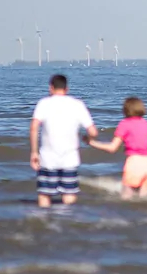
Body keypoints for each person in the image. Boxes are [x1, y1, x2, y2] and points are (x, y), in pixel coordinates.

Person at [30, 74, 98, 208]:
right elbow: (93, 131)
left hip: (47, 158)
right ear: (67, 89)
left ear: (51, 88)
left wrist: (34, 152)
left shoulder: (44, 103)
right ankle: (67, 223)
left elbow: (34, 127)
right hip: (69, 159)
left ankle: (46, 224)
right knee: (69, 196)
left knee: (44, 195)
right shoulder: (77, 104)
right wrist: (88, 139)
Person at [87, 97, 147, 199]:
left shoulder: (125, 124)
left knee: (126, 197)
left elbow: (112, 148)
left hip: (134, 162)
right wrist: (142, 150)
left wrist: (92, 143)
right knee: (144, 199)